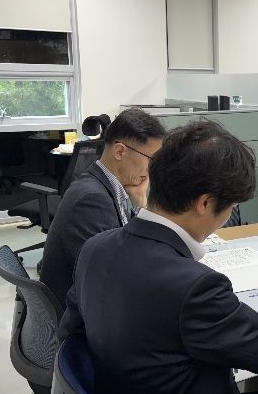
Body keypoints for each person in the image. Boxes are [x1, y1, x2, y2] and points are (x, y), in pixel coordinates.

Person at [58, 120, 258, 394]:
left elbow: (72, 334)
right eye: (231, 207)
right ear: (204, 203)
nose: (227, 216)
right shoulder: (193, 286)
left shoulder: (96, 247)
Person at [40, 108, 165, 307]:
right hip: (79, 315)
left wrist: (139, 202)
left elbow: (127, 251)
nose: (154, 169)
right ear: (120, 151)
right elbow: (117, 278)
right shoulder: (92, 201)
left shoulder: (104, 185)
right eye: (152, 159)